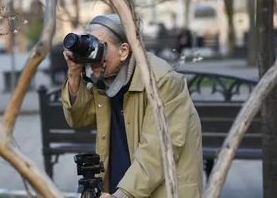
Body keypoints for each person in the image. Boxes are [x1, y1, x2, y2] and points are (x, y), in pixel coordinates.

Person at [61, 14, 203, 198]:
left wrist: (121, 195)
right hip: (122, 185)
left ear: (124, 50)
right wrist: (74, 74)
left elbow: (157, 150)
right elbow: (78, 119)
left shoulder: (161, 80)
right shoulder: (105, 79)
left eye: (100, 47)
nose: (92, 55)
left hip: (162, 189)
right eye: (90, 45)